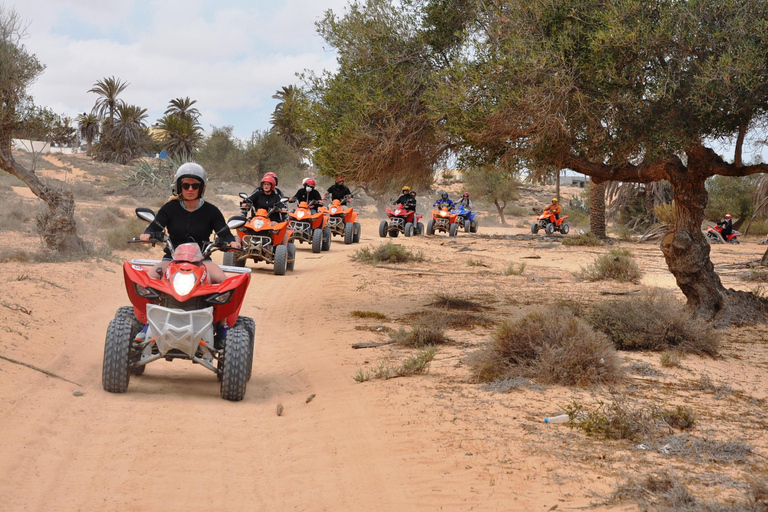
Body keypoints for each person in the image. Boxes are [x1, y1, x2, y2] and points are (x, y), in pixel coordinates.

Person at [139, 163, 240, 284]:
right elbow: (155, 227)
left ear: (201, 188)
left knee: (222, 282)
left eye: (195, 185)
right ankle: (151, 304)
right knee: (147, 282)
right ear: (179, 187)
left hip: (203, 260)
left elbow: (224, 233)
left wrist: (232, 242)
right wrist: (147, 234)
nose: (190, 189)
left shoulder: (211, 211)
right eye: (186, 185)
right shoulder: (169, 208)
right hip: (171, 259)